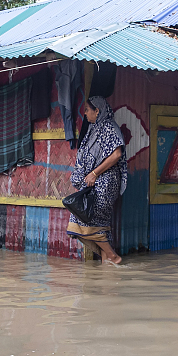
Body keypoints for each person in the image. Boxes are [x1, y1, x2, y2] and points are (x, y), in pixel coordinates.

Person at [66, 96, 128, 265]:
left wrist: (94, 173)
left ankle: (113, 256)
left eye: (87, 110)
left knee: (83, 218)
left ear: (97, 110)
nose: (85, 113)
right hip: (96, 183)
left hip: (106, 182)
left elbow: (116, 154)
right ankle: (106, 265)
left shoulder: (109, 127)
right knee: (98, 224)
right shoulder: (95, 128)